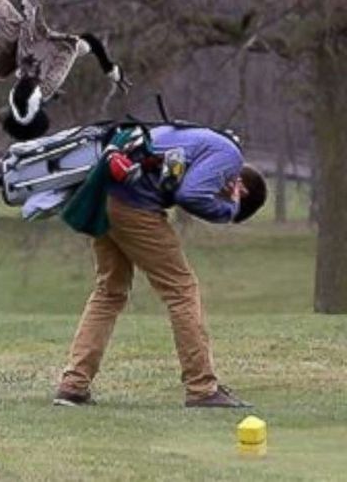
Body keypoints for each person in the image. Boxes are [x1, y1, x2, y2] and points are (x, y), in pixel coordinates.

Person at [54, 126, 267, 407]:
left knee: (110, 292)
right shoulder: (230, 156)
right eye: (226, 196)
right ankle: (202, 388)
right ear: (240, 187)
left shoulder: (198, 137)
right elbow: (191, 195)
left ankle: (74, 385)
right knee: (182, 290)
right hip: (134, 206)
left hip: (103, 195)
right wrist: (230, 209)